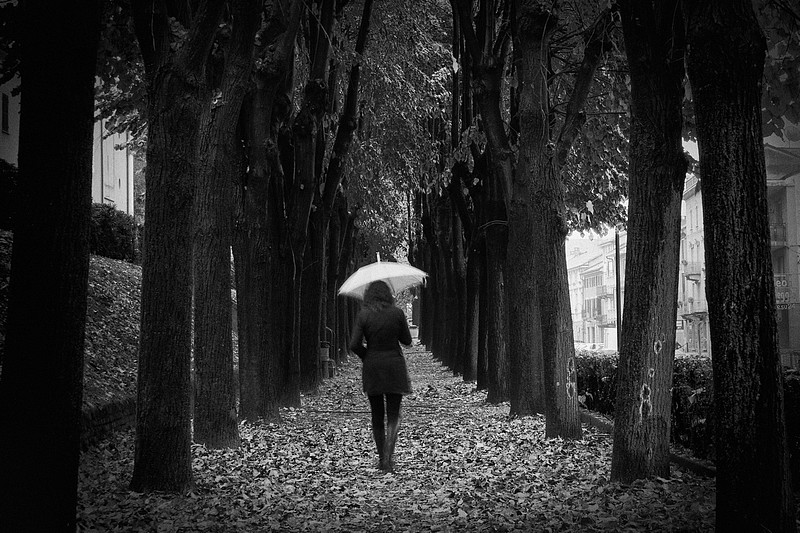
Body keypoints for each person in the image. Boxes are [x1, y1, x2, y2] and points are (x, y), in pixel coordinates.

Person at [349, 280, 413, 472]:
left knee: (377, 415)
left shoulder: (364, 315)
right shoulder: (397, 313)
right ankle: (388, 457)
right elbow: (407, 341)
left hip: (373, 367)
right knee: (394, 414)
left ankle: (381, 459)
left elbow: (354, 344)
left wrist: (366, 355)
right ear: (388, 294)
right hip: (394, 366)